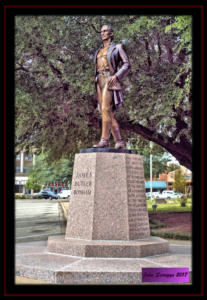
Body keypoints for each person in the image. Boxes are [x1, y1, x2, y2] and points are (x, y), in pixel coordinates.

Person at [93, 24, 130, 149]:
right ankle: (119, 141)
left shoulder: (117, 47)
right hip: (99, 81)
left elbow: (126, 64)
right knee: (106, 112)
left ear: (111, 33)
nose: (102, 33)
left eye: (105, 31)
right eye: (101, 31)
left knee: (105, 109)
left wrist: (117, 76)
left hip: (110, 80)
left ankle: (104, 140)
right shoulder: (98, 51)